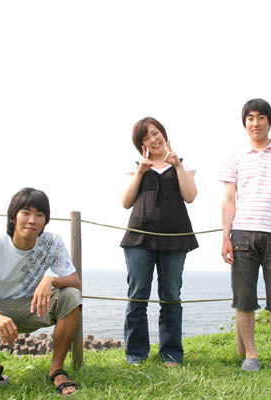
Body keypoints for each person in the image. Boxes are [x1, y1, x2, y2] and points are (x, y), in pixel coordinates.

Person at [0, 187, 82, 396]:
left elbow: (75, 282)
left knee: (72, 296)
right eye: (26, 213)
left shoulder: (52, 242)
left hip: (34, 306)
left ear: (45, 221)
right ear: (13, 217)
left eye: (40, 215)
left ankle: (57, 370)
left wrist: (50, 280)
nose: (32, 220)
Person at [219, 99, 271, 377]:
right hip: (242, 233)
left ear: (270, 120)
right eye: (250, 118)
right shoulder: (235, 157)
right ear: (244, 123)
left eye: (260, 117)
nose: (255, 123)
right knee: (243, 299)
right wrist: (226, 237)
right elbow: (229, 199)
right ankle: (251, 355)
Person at [120, 117, 199, 367]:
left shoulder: (182, 163)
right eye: (146, 138)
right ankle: (136, 354)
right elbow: (126, 202)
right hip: (139, 239)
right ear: (140, 145)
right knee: (137, 296)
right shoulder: (137, 167)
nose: (153, 140)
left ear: (163, 133)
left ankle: (171, 354)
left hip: (175, 238)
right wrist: (141, 172)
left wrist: (177, 166)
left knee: (171, 296)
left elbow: (190, 196)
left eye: (155, 133)